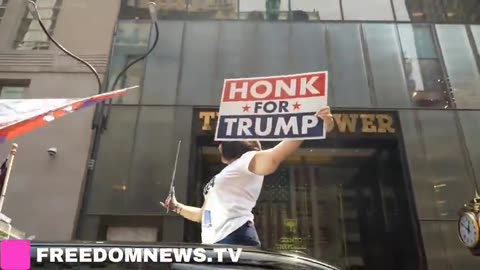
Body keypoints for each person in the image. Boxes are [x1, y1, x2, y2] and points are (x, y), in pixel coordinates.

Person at [161, 106, 334, 247]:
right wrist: (177, 207)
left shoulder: (247, 160)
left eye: (222, 140)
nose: (218, 143)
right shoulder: (230, 173)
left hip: (234, 238)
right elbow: (202, 215)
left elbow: (274, 157)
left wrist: (313, 124)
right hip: (215, 244)